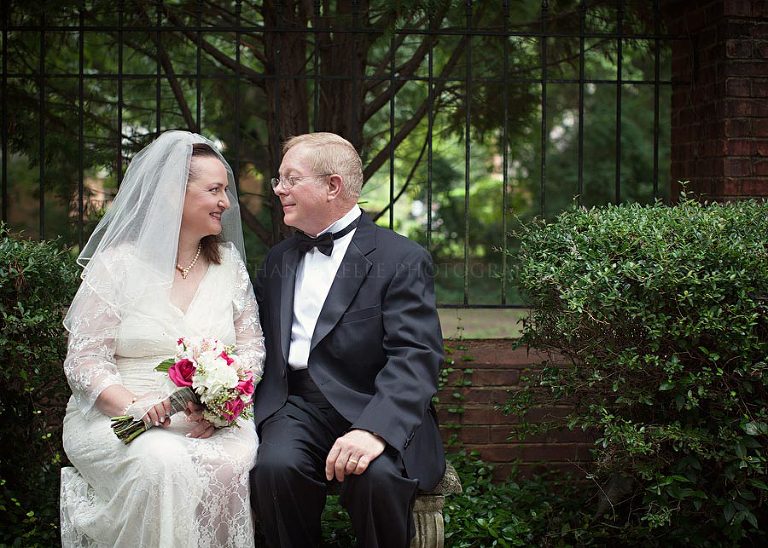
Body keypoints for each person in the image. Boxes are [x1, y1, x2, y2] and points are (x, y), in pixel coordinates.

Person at [59, 130, 265, 547]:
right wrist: (135, 406)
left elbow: (251, 348)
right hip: (116, 417)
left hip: (211, 423)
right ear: (173, 194)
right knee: (161, 461)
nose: (226, 202)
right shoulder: (116, 266)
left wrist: (222, 408)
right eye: (214, 190)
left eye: (225, 190)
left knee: (232, 462)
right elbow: (83, 359)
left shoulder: (228, 266)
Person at [250, 132, 445, 547]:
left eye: (290, 178)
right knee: (274, 469)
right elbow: (253, 344)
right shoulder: (278, 260)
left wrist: (374, 430)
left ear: (332, 186)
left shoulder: (402, 259)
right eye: (278, 180)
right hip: (297, 407)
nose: (279, 189)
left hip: (374, 402)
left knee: (377, 478)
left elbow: (416, 355)